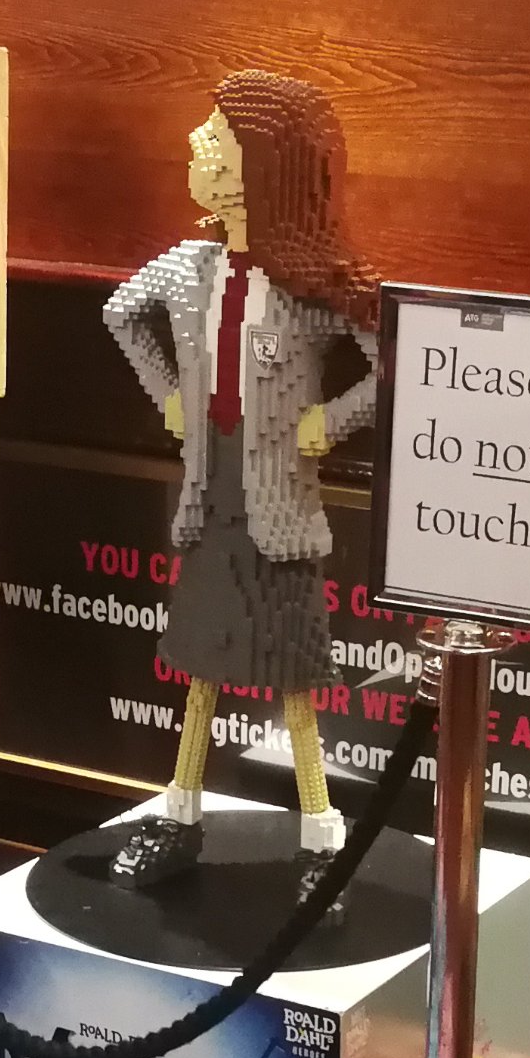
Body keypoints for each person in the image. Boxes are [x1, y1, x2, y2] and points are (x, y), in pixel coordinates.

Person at [102, 70, 381, 898]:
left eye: (218, 137)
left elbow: (395, 359)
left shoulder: (313, 286)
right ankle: (179, 810)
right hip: (212, 491)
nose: (198, 147)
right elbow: (120, 313)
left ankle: (320, 830)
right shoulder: (188, 270)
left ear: (260, 166)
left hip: (278, 502)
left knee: (295, 672)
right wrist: (168, 396)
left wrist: (331, 420)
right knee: (200, 660)